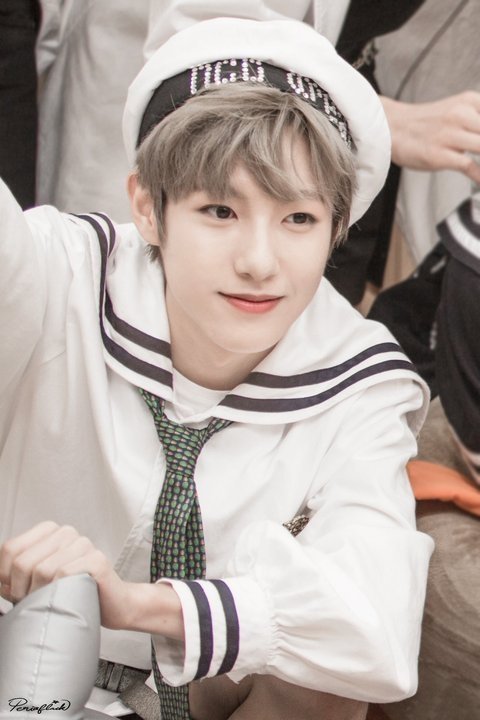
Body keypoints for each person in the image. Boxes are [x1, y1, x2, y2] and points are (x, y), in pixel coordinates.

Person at [0, 17, 433, 720]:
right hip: (15, 654)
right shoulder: (58, 270)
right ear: (148, 207)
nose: (259, 262)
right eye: (221, 210)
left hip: (193, 689)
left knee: (327, 677)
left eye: (298, 219)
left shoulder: (360, 378)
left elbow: (377, 625)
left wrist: (134, 604)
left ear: (336, 229)